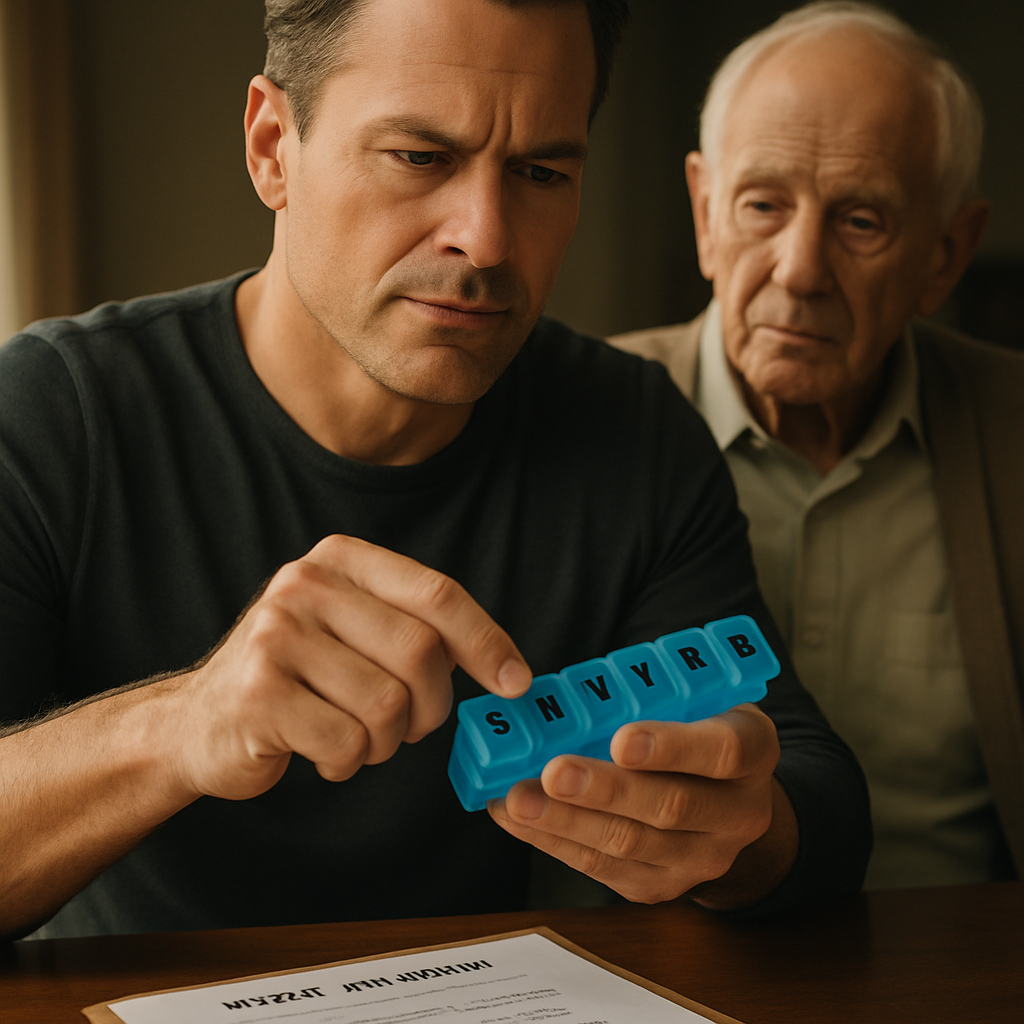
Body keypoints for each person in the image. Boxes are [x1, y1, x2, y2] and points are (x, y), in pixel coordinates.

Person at [0, 0, 870, 942]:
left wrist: (734, 835)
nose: (487, 239)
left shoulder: (633, 429)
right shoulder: (53, 413)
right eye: (419, 158)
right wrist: (180, 724)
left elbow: (813, 796)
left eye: (540, 171)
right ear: (270, 147)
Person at [610, 1, 1024, 890]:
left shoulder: (1012, 435)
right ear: (705, 211)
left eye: (861, 221)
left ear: (946, 256)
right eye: (763, 205)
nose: (800, 269)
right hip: (634, 973)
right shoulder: (576, 420)